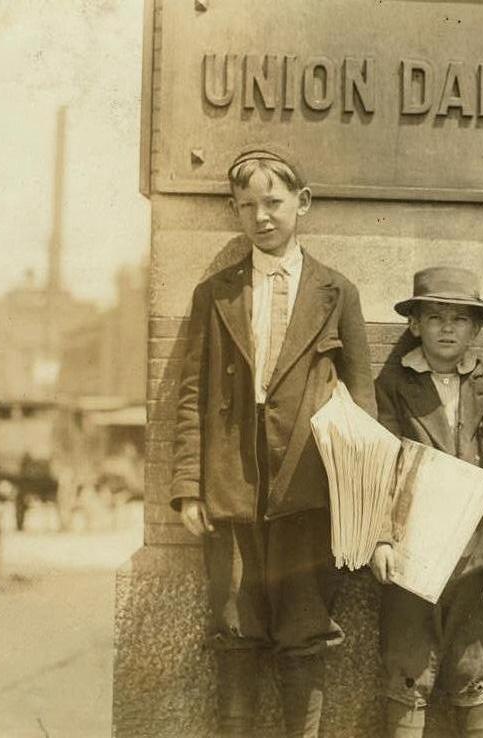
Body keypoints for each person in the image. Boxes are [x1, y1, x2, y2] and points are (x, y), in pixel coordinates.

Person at [170, 145, 376, 737]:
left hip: (309, 493)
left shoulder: (338, 292)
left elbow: (363, 400)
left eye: (274, 202)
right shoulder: (215, 295)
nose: (261, 217)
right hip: (232, 490)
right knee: (235, 629)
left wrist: (364, 502)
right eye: (246, 206)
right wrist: (188, 487)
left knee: (305, 631)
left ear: (302, 204)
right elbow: (191, 394)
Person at [370, 266, 483, 738]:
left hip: (475, 550)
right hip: (414, 547)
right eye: (435, 318)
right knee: (408, 660)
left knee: (473, 660)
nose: (447, 328)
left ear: (476, 329)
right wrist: (382, 536)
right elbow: (381, 464)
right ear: (414, 326)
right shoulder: (393, 385)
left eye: (459, 319)